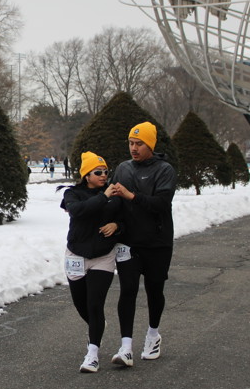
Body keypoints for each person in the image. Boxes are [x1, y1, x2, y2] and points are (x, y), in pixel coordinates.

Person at [107, 122, 176, 366]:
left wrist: (132, 196)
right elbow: (113, 201)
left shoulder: (164, 170)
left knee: (154, 290)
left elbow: (161, 204)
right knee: (127, 290)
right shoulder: (123, 168)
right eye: (131, 143)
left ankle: (153, 335)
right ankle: (126, 347)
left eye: (139, 144)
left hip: (157, 242)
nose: (134, 148)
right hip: (128, 242)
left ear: (151, 145)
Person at [60, 152, 123, 373]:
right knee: (81, 304)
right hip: (76, 254)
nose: (104, 175)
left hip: (103, 256)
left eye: (106, 171)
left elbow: (126, 217)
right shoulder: (72, 193)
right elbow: (78, 211)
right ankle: (97, 326)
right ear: (86, 175)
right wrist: (104, 196)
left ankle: (92, 354)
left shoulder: (114, 194)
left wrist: (117, 226)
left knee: (95, 304)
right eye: (98, 172)